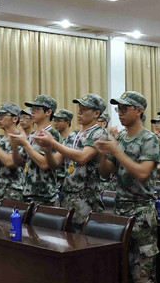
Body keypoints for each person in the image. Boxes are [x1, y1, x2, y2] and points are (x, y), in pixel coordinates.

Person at [97, 91, 160, 283]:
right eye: (119, 109)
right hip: (120, 209)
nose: (120, 113)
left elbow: (143, 172)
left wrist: (116, 150)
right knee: (123, 266)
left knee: (142, 268)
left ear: (139, 111)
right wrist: (103, 152)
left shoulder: (149, 139)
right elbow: (106, 173)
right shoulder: (121, 138)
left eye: (125, 108)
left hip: (142, 210)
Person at [36, 93, 108, 233]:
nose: (79, 111)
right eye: (79, 108)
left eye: (84, 109)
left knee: (85, 239)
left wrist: (53, 143)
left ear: (96, 113)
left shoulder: (100, 133)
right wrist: (48, 150)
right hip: (67, 196)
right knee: (67, 237)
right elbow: (55, 164)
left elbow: (83, 157)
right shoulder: (72, 135)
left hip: (87, 198)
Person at [10, 95, 61, 206]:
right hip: (28, 192)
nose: (32, 111)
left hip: (45, 195)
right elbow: (18, 162)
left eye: (37, 109)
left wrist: (25, 144)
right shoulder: (32, 135)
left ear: (48, 112)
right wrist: (14, 146)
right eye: (32, 108)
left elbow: (45, 164)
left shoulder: (52, 134)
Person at [52, 109, 74, 189]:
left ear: (67, 123)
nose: (55, 123)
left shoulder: (72, 139)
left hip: (67, 181)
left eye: (59, 121)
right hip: (55, 180)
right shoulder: (55, 139)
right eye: (54, 120)